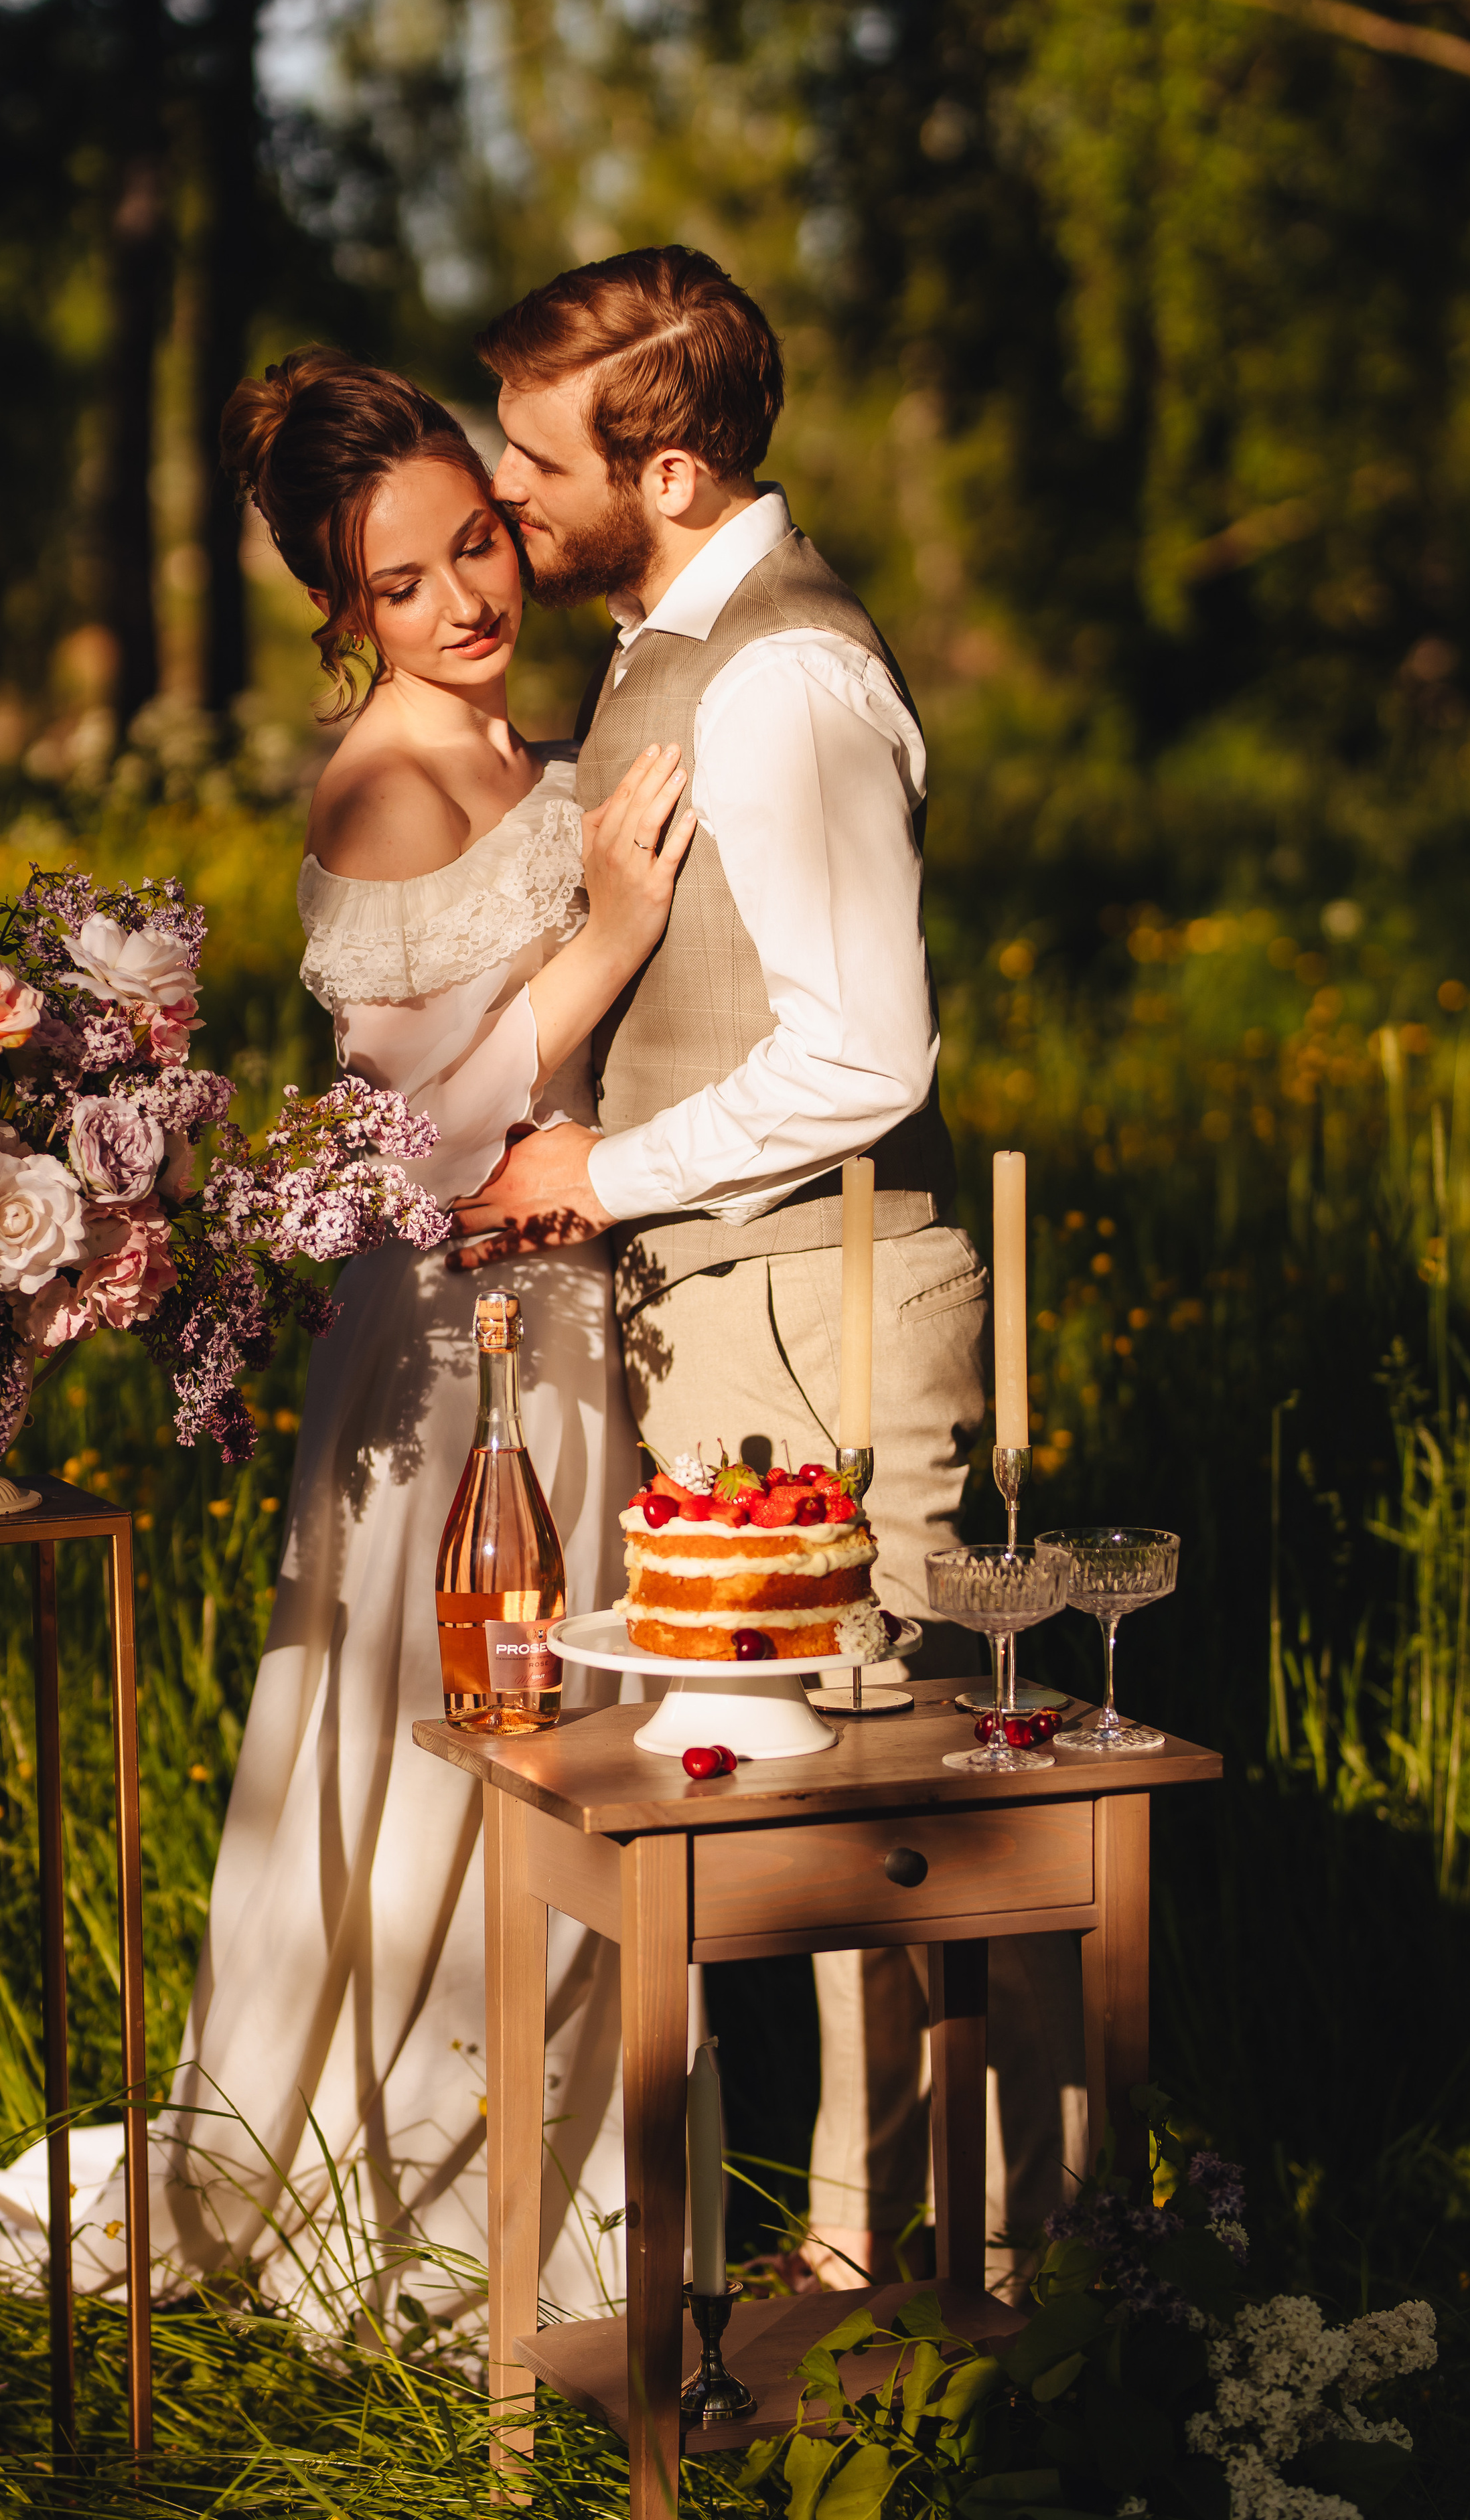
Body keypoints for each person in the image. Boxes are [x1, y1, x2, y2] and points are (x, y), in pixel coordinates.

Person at [0, 350, 693, 2325]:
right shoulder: (389, 776)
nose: (469, 602)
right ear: (347, 616)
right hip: (451, 1345)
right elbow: (418, 1134)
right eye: (406, 584)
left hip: (576, 1321)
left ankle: (591, 2193)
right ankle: (433, 2206)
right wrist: (603, 937)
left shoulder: (523, 741)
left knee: (582, 1742)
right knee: (462, 1759)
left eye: (478, 546)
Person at [451, 247, 1085, 2293]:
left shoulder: (788, 674)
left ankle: (1009, 2298)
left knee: (896, 1817)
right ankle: (879, 2274)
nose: (506, 492)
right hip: (735, 1301)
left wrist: (603, 1172)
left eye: (540, 458)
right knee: (795, 1803)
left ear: (681, 467)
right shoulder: (668, 638)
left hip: (820, 1300)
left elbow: (868, 1051)